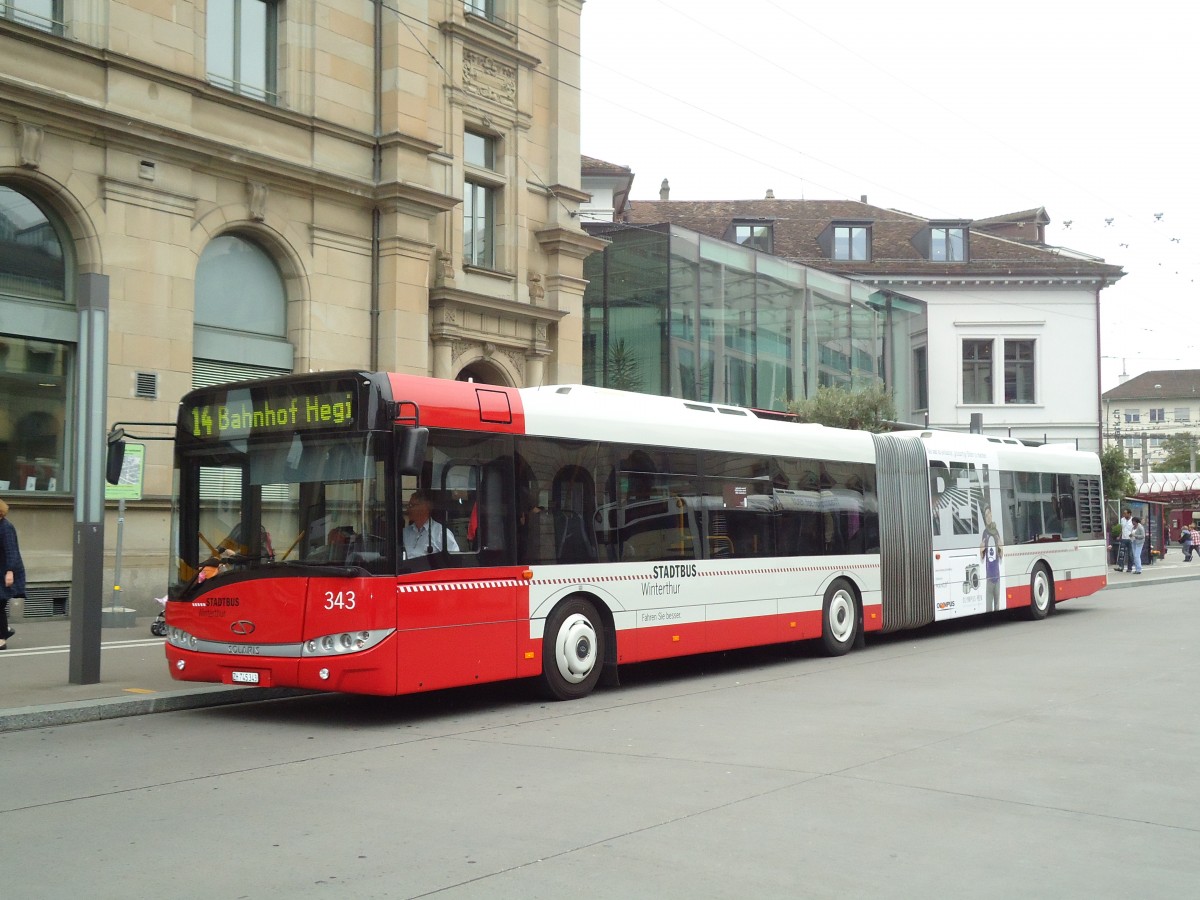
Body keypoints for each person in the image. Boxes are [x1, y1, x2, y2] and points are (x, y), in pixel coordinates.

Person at [0, 497, 26, 650]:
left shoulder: (5, 527)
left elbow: (11, 551)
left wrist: (10, 571)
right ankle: (5, 630)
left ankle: (2, 638)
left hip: (5, 572)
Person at [402, 490, 459, 557]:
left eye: (412, 505)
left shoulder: (441, 533)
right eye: (408, 506)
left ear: (425, 507)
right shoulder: (405, 533)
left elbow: (454, 559)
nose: (408, 510)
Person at [979, 504, 1004, 612]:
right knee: (988, 608)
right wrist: (981, 550)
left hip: (997, 577)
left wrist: (1001, 547)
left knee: (997, 607)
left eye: (989, 514)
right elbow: (982, 557)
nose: (988, 516)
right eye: (986, 515)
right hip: (989, 578)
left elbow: (1001, 556)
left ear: (992, 515)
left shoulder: (996, 532)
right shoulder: (985, 533)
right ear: (985, 518)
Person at [1118, 508, 1134, 573]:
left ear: (1129, 514)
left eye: (1125, 513)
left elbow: (1135, 529)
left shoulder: (1133, 520)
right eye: (1123, 513)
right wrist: (1119, 536)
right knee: (1121, 553)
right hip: (1123, 538)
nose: (1124, 514)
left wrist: (1132, 535)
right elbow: (1122, 528)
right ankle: (1121, 566)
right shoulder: (1122, 519)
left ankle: (1129, 568)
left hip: (1130, 539)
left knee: (1130, 554)